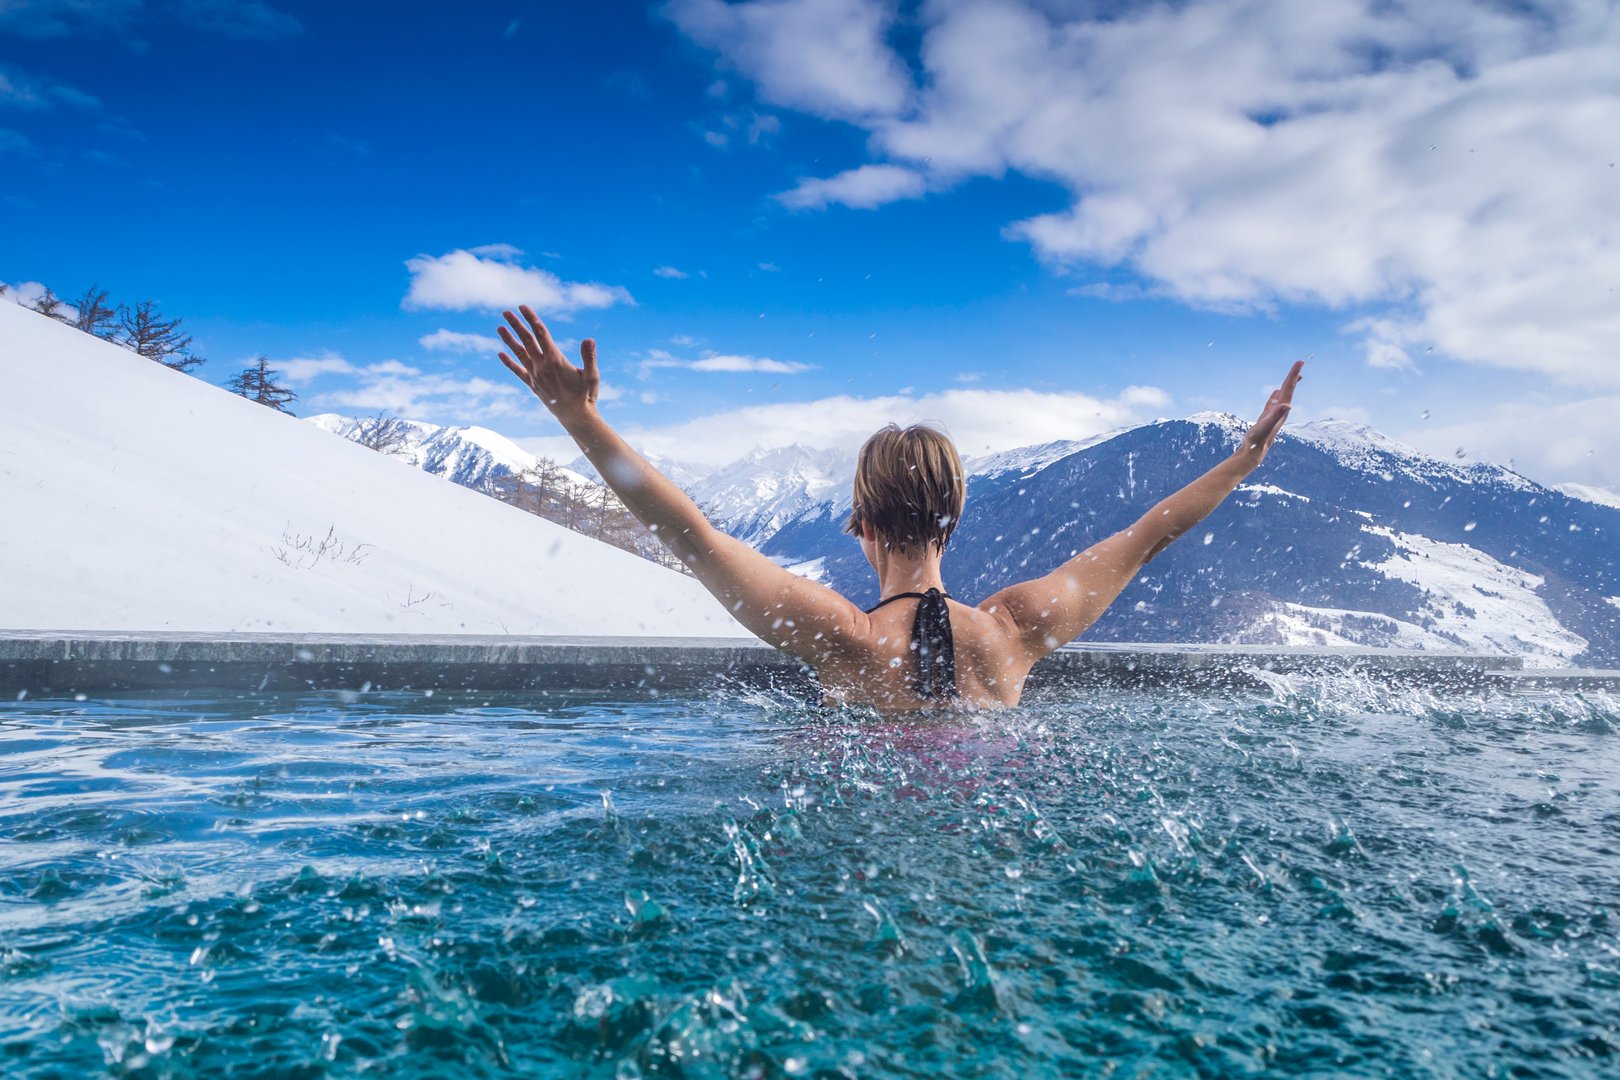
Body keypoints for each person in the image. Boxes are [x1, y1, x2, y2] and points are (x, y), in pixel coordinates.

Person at [497, 305, 1304, 712]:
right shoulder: (1016, 629)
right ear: (953, 517)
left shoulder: (840, 636)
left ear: (862, 525)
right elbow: (1146, 535)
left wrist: (580, 417)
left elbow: (691, 534)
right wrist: (1247, 455)